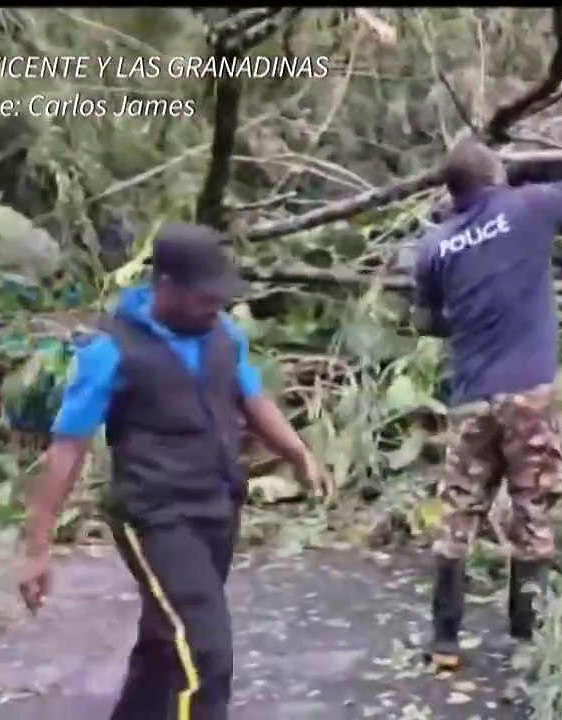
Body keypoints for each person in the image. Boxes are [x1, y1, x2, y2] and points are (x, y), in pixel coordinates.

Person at [17, 223, 328, 720]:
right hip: (154, 514)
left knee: (167, 638)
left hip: (218, 504)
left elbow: (251, 396)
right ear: (166, 287)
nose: (216, 308)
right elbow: (67, 447)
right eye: (205, 298)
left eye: (221, 298)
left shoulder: (223, 335)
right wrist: (37, 549)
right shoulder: (110, 350)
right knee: (206, 656)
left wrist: (298, 454)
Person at [409, 83, 562, 671]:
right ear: (495, 175)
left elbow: (425, 321)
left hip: (472, 396)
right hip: (530, 394)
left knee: (459, 513)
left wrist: (469, 315)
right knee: (533, 511)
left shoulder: (433, 246)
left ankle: (445, 643)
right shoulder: (527, 207)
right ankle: (528, 643)